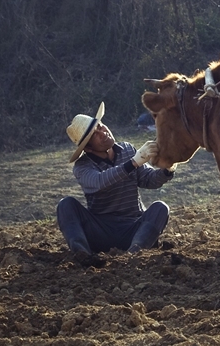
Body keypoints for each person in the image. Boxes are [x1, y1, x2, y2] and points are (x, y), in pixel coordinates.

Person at [57, 102, 173, 266]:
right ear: (88, 148)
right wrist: (132, 163)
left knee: (160, 207)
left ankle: (135, 253)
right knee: (66, 205)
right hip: (100, 231)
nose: (103, 132)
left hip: (132, 227)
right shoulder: (82, 166)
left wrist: (167, 169)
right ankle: (82, 254)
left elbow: (149, 179)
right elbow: (99, 182)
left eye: (100, 126)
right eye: (95, 134)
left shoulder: (127, 149)